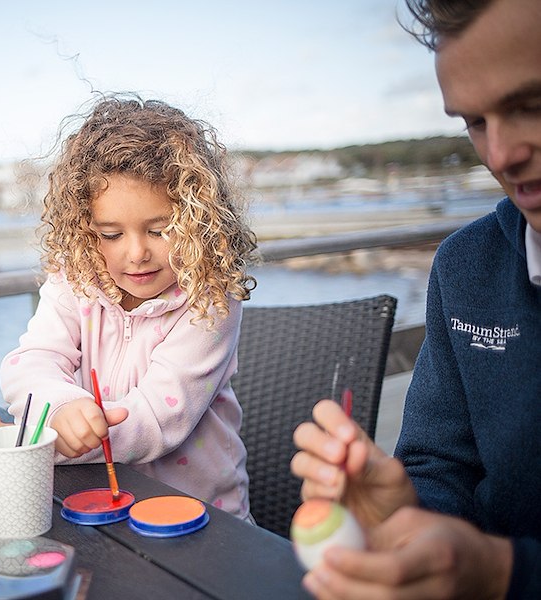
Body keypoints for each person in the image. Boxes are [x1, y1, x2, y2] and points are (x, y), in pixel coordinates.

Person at [290, 0, 540, 597]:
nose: (500, 155)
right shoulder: (466, 266)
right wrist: (405, 508)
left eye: (530, 105)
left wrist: (503, 574)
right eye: (475, 122)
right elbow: (440, 467)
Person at [0, 94, 258, 519]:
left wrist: (8, 444)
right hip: (99, 502)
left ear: (198, 222)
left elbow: (154, 424)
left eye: (160, 229)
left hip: (200, 518)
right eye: (111, 234)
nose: (136, 253)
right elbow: (34, 359)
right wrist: (61, 406)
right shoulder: (75, 281)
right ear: (84, 228)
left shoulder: (209, 301)